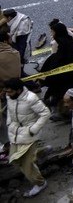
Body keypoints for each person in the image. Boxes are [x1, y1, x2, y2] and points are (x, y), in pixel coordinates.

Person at [4, 77, 50, 197]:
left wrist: (33, 129)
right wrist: (9, 122)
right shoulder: (10, 97)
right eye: (6, 91)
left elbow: (45, 113)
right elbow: (9, 110)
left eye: (10, 91)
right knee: (14, 159)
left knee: (26, 165)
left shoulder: (31, 98)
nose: (7, 94)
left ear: (18, 90)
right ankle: (39, 152)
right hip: (14, 133)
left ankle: (40, 183)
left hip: (29, 135)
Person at [39, 22, 73, 122]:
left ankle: (67, 115)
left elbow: (60, 63)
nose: (51, 34)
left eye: (52, 31)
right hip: (71, 75)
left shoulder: (61, 44)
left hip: (68, 78)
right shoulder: (66, 41)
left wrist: (48, 78)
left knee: (63, 96)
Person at [1, 31, 22, 162]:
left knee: (4, 119)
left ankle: (9, 144)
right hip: (15, 90)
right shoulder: (15, 53)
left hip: (3, 93)